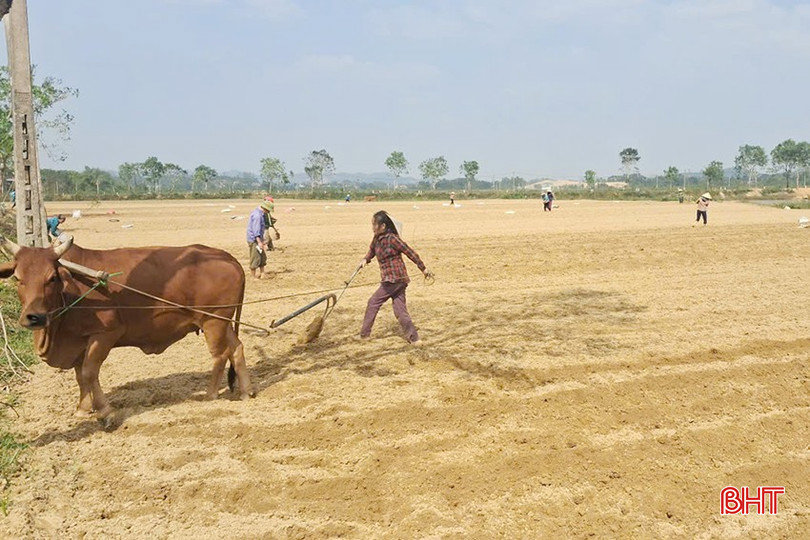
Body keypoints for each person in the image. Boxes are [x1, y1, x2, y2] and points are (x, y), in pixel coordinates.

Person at [359, 211, 433, 343]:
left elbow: (410, 252)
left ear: (383, 226)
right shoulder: (376, 239)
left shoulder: (393, 239)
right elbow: (371, 251)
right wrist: (365, 260)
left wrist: (423, 268)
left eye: (374, 224)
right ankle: (415, 339)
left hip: (394, 280)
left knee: (373, 303)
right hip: (396, 281)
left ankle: (364, 335)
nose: (372, 227)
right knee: (400, 311)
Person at [246, 200, 273, 279]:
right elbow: (256, 230)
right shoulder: (257, 216)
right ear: (265, 209)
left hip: (258, 239)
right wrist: (259, 242)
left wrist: (263, 241)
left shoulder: (261, 214)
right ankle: (253, 276)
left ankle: (262, 273)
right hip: (254, 240)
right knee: (255, 257)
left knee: (262, 257)